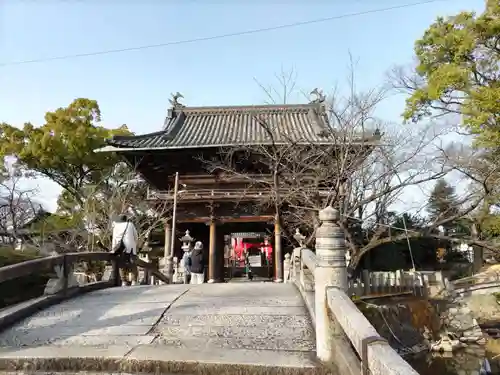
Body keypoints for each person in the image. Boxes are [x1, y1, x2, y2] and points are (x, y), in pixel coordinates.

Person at [111, 214, 139, 286]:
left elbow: (114, 238)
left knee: (121, 264)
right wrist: (135, 244)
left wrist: (113, 248)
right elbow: (136, 236)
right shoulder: (130, 225)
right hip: (130, 246)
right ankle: (134, 281)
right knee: (133, 264)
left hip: (121, 248)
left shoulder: (116, 226)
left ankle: (124, 281)